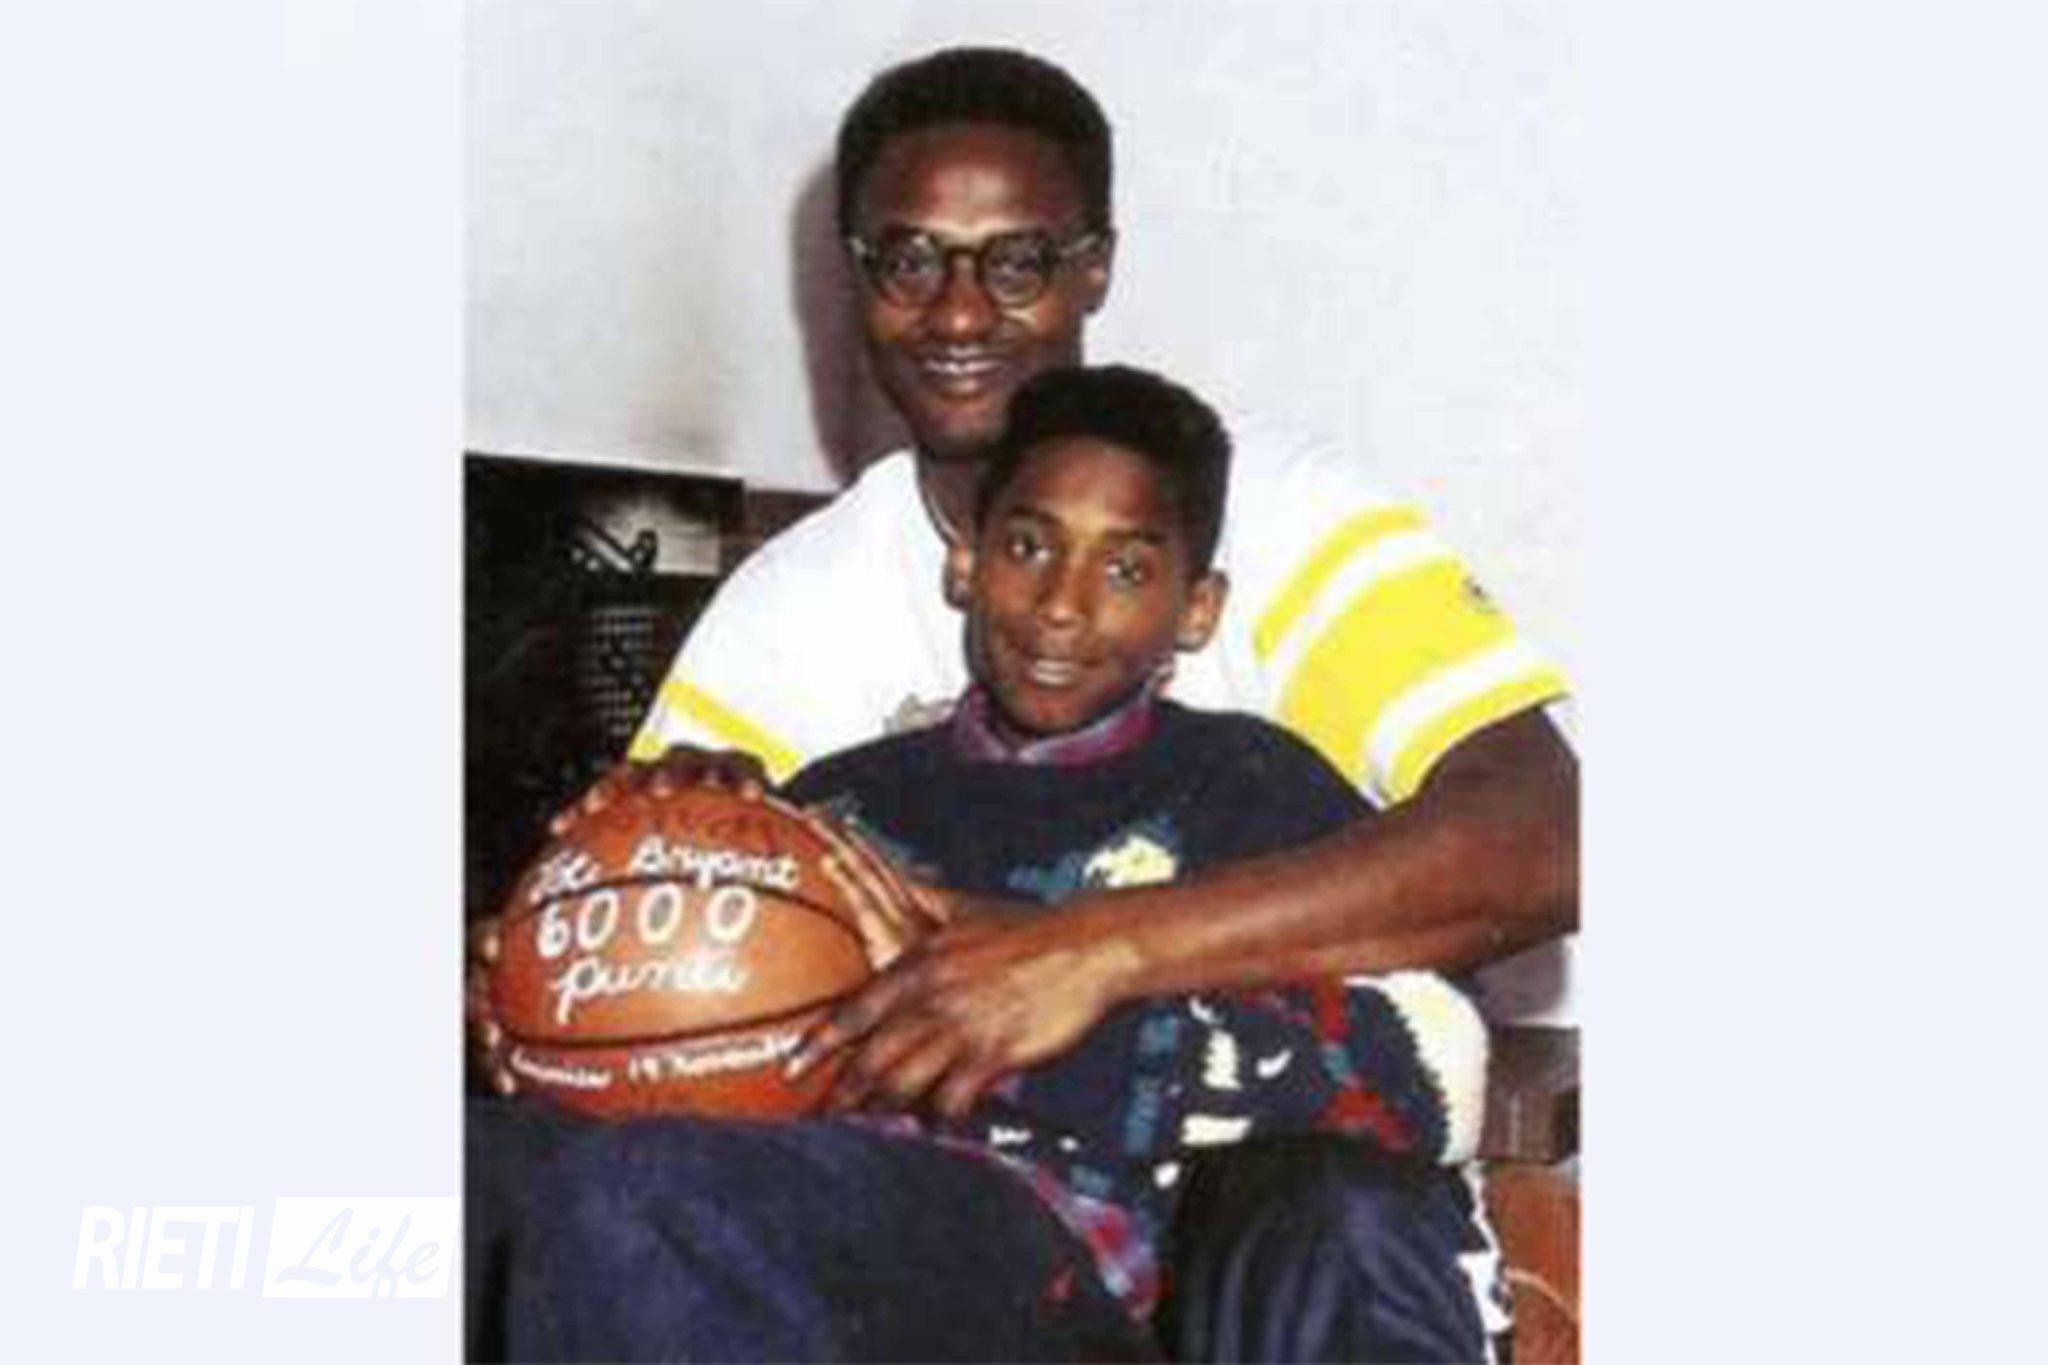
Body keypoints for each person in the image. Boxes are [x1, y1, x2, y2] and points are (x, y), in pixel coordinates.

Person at [590, 44, 1574, 1362]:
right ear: (854, 274)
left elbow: (1544, 839)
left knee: (1318, 1212)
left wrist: (1088, 952)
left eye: (1017, 261)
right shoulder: (790, 608)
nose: (957, 313)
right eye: (908, 259)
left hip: (1270, 1221)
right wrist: (551, 974)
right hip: (958, 1247)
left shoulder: (1285, 520)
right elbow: (651, 970)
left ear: (1094, 267)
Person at [478, 364, 1496, 1361]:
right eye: (1026, 546)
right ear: (966, 563)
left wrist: (1025, 1020)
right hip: (798, 1204)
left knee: (645, 1194)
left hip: (1057, 1267)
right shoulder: (835, 800)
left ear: (1196, 608)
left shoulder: (1245, 781)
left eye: (1126, 568)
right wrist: (538, 995)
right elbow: (698, 1058)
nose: (1061, 604)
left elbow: (1430, 1063)